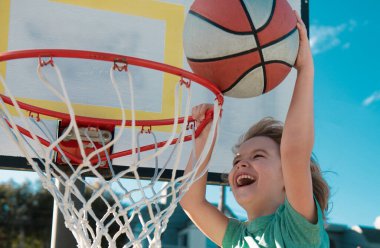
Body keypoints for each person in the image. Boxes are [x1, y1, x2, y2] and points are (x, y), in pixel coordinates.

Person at [179, 12, 330, 248]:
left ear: (287, 176)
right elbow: (191, 202)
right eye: (237, 160)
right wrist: (204, 139)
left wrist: (305, 70)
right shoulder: (239, 238)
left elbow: (294, 153)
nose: (240, 164)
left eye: (258, 155)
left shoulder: (296, 230)